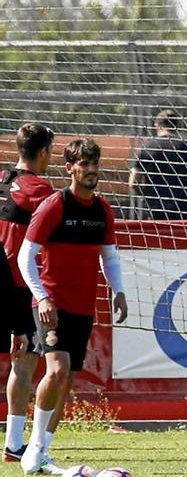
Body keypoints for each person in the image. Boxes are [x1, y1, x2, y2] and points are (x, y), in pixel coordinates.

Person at [18, 139, 128, 474]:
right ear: (69, 168)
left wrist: (119, 291)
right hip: (51, 304)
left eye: (95, 164)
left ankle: (42, 452)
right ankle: (32, 450)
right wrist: (43, 297)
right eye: (84, 164)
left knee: (66, 382)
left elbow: (109, 256)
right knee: (57, 370)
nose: (91, 170)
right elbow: (26, 257)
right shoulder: (54, 205)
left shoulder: (102, 210)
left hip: (82, 307)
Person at [0, 124, 56, 467]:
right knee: (25, 362)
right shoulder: (40, 189)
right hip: (18, 285)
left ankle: (14, 443)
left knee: (20, 362)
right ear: (45, 152)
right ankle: (15, 443)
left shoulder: (3, 177)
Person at [129, 109, 187, 220]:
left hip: (155, 209)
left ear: (156, 125)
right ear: (176, 125)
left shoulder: (147, 148)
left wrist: (148, 197)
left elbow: (133, 183)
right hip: (182, 208)